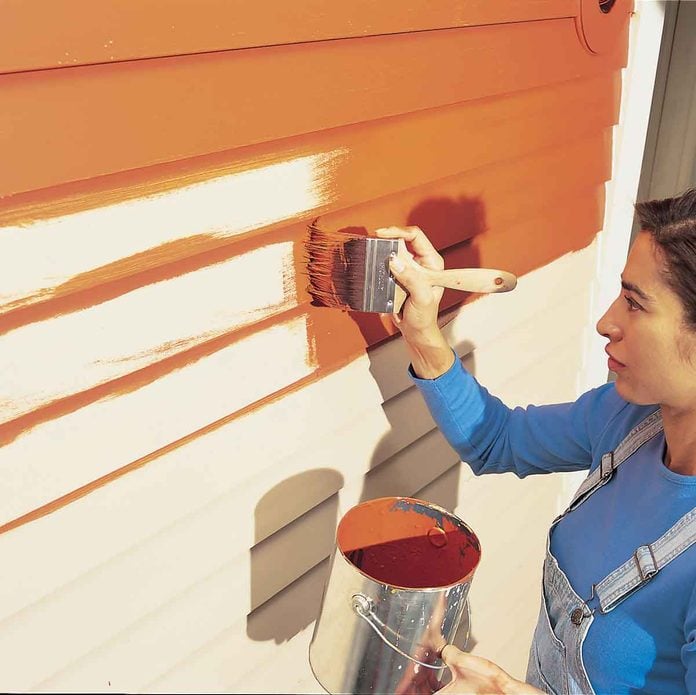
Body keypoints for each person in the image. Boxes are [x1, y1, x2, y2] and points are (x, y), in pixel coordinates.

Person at [376, 187, 696, 694]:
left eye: (635, 304)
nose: (605, 322)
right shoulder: (630, 417)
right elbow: (497, 440)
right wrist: (422, 332)